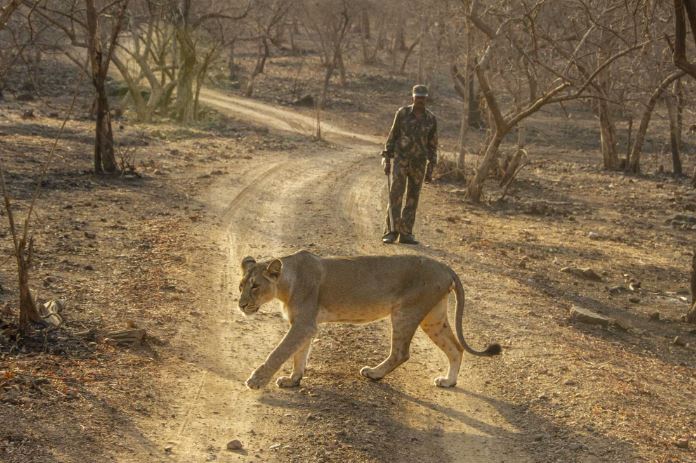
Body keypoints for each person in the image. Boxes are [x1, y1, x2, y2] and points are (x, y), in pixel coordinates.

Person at [381, 84, 438, 245]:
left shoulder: (431, 119)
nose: (420, 100)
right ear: (412, 97)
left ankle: (406, 233)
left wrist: (431, 166)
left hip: (419, 163)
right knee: (396, 195)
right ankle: (391, 231)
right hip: (401, 160)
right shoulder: (402, 113)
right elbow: (393, 136)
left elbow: (433, 144)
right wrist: (386, 158)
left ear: (426, 98)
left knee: (413, 198)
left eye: (423, 97)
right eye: (417, 97)